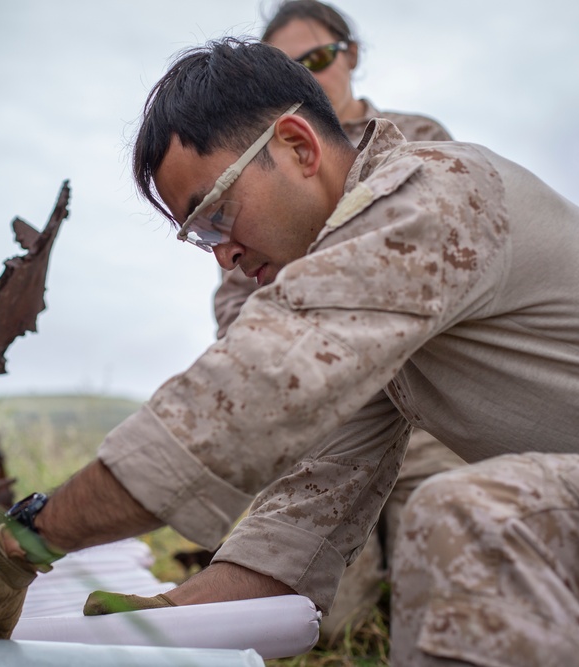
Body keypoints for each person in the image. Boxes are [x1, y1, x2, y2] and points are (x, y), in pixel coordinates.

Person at [0, 38, 579, 667]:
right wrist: (171, 611)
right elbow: (304, 522)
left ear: (299, 147)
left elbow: (237, 403)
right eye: (201, 238)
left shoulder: (434, 198)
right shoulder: (385, 314)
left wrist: (20, 546)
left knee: (477, 520)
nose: (224, 258)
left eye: (217, 218)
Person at [207, 0, 465, 642]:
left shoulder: (415, 136)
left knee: (444, 596)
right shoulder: (258, 176)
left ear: (350, 55)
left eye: (319, 58)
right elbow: (238, 303)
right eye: (287, 66)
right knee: (320, 626)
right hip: (321, 424)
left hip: (425, 409)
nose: (309, 74)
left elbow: (430, 260)